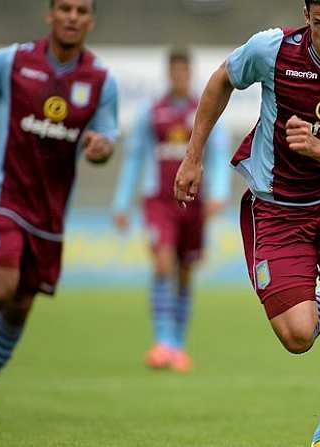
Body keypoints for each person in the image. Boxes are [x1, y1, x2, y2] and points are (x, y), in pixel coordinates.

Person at [174, 1, 320, 445]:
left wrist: (318, 148)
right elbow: (223, 77)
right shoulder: (272, 50)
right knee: (297, 336)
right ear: (306, 14)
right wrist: (194, 154)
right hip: (279, 208)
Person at [0, 0, 118, 423]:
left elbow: (107, 138)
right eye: (65, 9)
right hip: (0, 195)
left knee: (20, 305)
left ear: (91, 20)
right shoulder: (12, 61)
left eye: (81, 10)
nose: (72, 17)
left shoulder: (100, 81)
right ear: (50, 14)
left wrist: (100, 148)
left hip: (49, 214)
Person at [111, 49, 231, 372]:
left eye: (184, 72)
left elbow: (219, 154)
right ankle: (163, 342)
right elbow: (135, 157)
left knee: (186, 272)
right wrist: (122, 202)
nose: (179, 77)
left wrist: (219, 192)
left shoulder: (203, 111)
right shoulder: (152, 112)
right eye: (174, 72)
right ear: (169, 74)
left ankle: (177, 344)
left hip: (194, 201)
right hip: (159, 201)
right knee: (163, 264)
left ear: (189, 74)